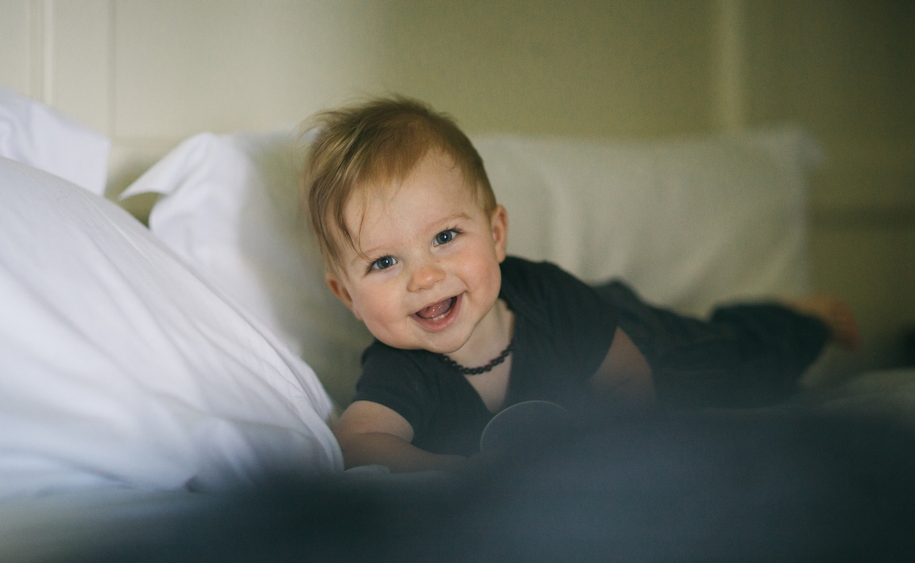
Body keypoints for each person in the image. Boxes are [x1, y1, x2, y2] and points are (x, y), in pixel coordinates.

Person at [300, 97, 859, 472]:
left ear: (497, 234)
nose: (425, 277)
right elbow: (361, 442)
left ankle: (793, 316)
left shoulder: (549, 296)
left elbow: (628, 379)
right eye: (383, 263)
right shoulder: (402, 364)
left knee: (727, 363)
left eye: (445, 236)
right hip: (588, 327)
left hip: (619, 329)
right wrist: (464, 475)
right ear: (346, 295)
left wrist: (614, 443)